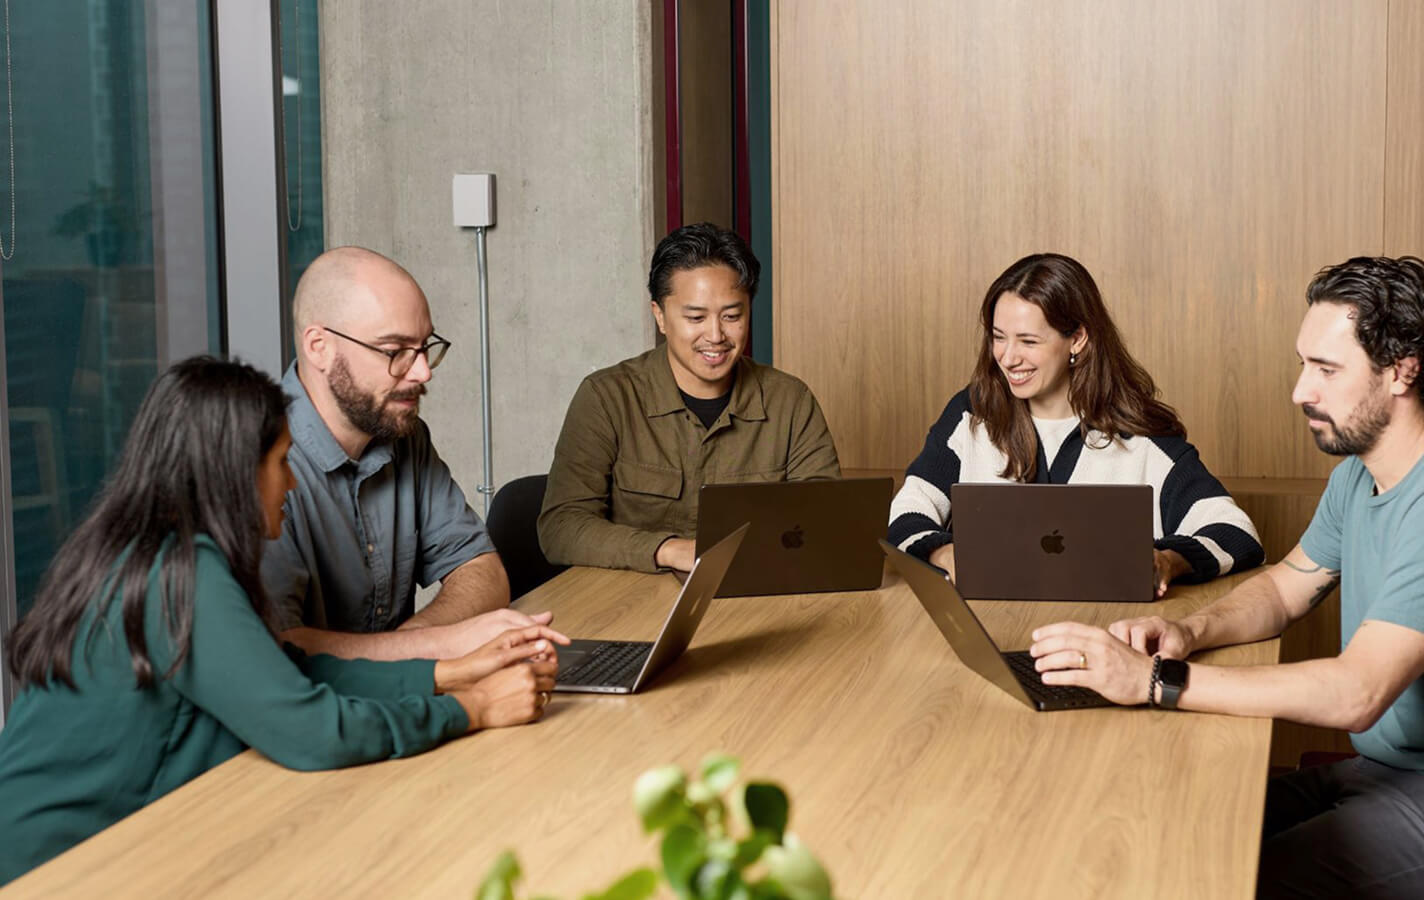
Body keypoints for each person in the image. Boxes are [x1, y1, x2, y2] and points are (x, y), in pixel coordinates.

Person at [1029, 257, 1424, 899]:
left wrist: (1153, 682)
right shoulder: (1361, 471)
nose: (1300, 390)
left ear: (1402, 369)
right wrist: (1186, 631)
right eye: (1303, 364)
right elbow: (1288, 585)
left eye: (1325, 369)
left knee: (1221, 880)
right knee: (1188, 824)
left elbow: (1357, 694)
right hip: (1396, 773)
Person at [0, 358, 567, 886]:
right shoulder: (185, 574)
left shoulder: (156, 553)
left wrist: (451, 671)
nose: (291, 484)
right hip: (58, 871)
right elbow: (311, 731)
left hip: (114, 846)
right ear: (235, 472)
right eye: (279, 463)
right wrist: (473, 709)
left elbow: (292, 676)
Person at [887, 252, 1263, 594]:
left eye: (1028, 341)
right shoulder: (971, 413)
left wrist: (1167, 560)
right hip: (988, 629)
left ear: (1078, 339)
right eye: (998, 338)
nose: (1007, 357)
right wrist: (944, 553)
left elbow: (1237, 534)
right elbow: (907, 514)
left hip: (1106, 635)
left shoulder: (1142, 436)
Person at [263, 246, 543, 660]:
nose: (423, 372)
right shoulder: (254, 461)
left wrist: (407, 649)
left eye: (425, 346)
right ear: (319, 347)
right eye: (395, 351)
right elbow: (280, 652)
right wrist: (433, 647)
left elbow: (483, 573)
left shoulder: (404, 434)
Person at [539, 222, 842, 573]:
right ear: (660, 317)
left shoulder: (790, 401)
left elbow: (827, 523)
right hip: (629, 604)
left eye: (732, 316)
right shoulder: (607, 398)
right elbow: (560, 527)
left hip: (756, 596)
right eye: (695, 317)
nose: (715, 335)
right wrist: (667, 550)